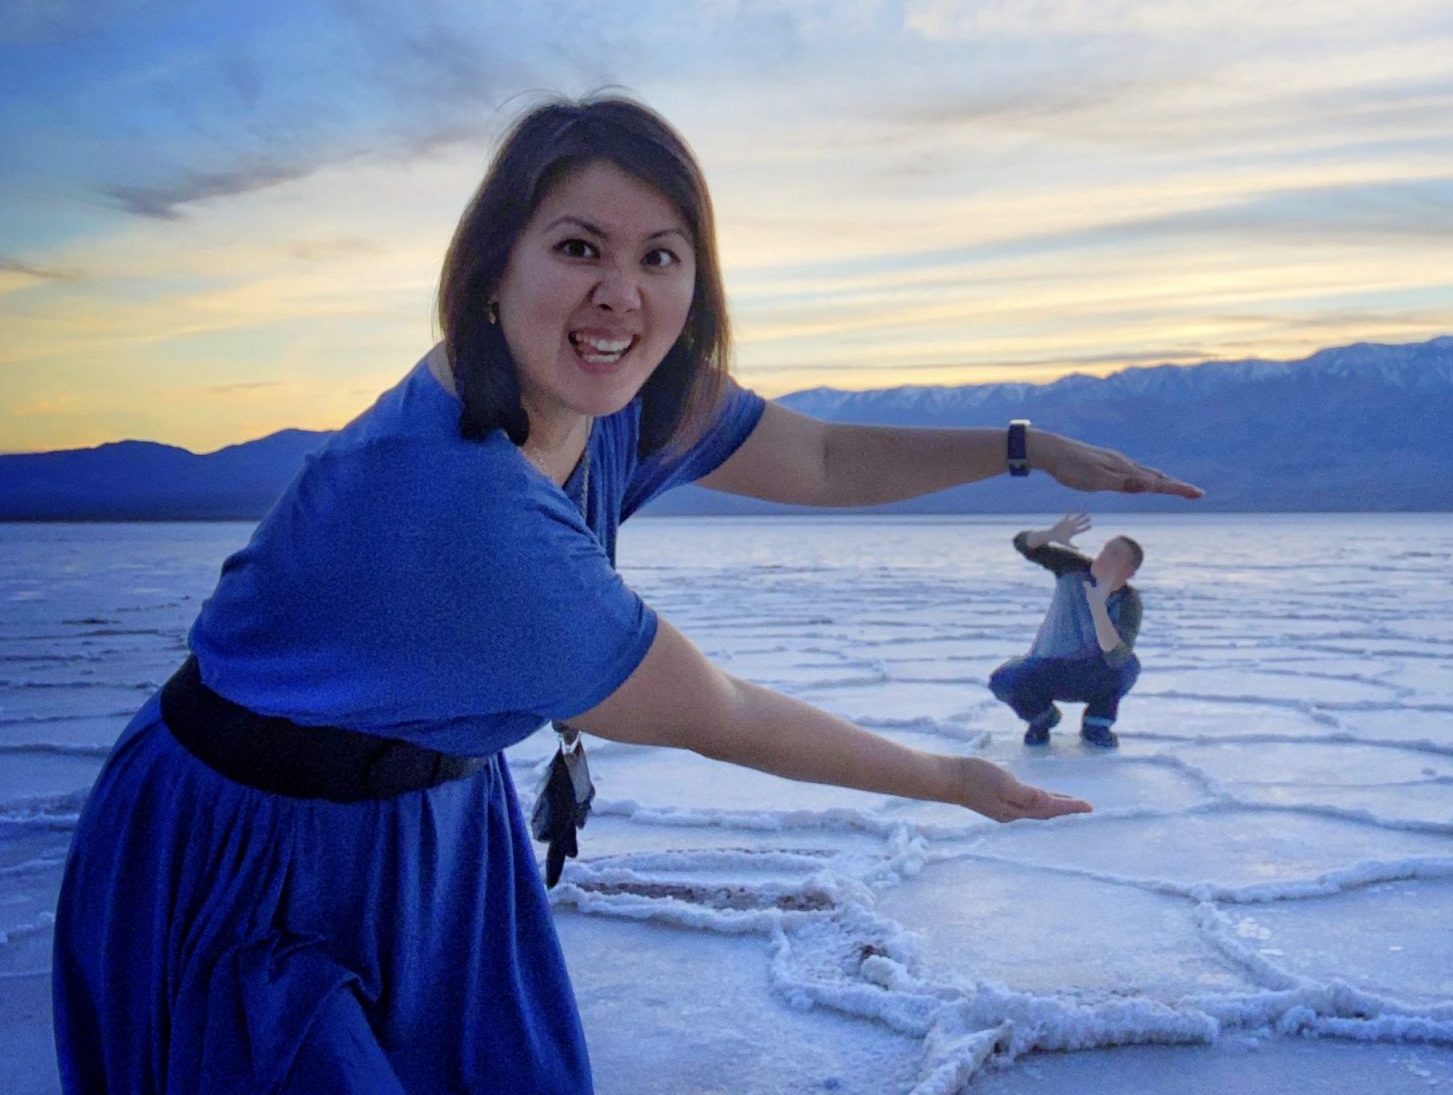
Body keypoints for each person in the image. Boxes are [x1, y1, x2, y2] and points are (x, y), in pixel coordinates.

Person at [51, 95, 1201, 1094]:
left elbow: (822, 461)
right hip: (250, 850)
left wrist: (1019, 445)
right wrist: (950, 778)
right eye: (577, 248)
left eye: (659, 256)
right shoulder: (467, 517)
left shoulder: (625, 395)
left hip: (433, 823)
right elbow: (723, 715)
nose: (619, 295)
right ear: (492, 266)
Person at [988, 511, 1146, 750]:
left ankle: (1097, 724)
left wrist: (1098, 608)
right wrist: (1050, 535)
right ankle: (1042, 717)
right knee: (1004, 680)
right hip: (1047, 665)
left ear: (1129, 571)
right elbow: (1022, 543)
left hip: (1093, 671)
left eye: (1115, 556)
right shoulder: (1073, 567)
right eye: (1105, 550)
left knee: (1128, 665)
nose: (1103, 558)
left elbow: (1116, 658)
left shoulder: (1128, 601)